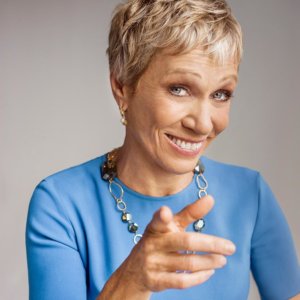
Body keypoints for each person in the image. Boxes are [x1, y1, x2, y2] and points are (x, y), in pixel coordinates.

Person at [26, 0, 300, 299]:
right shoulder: (61, 204)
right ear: (123, 87)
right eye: (179, 89)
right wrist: (130, 282)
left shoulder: (250, 194)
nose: (203, 124)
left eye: (221, 94)